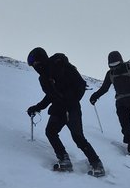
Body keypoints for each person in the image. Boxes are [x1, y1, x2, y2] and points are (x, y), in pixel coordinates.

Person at [26, 47, 105, 176]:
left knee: (77, 137)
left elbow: (79, 85)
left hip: (71, 107)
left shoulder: (58, 65)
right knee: (50, 132)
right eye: (32, 64)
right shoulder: (43, 78)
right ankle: (64, 159)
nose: (35, 66)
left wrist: (70, 100)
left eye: (35, 62)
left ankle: (97, 164)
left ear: (41, 59)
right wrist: (36, 107)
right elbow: (50, 95)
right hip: (58, 108)